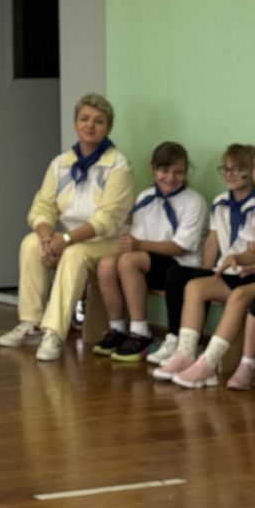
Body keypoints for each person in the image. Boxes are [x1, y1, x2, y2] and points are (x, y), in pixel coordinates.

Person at [0, 94, 135, 363]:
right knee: (30, 243)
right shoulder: (61, 163)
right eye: (84, 119)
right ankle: (31, 323)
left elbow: (107, 219)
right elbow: (42, 206)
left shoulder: (118, 164)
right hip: (70, 238)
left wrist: (67, 239)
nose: (90, 126)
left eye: (99, 121)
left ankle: (54, 333)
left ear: (108, 127)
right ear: (75, 123)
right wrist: (46, 236)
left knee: (74, 254)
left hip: (107, 242)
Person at [164, 142, 255, 389]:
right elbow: (252, 251)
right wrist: (237, 258)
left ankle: (209, 363)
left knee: (239, 295)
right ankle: (185, 353)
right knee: (196, 286)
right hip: (254, 273)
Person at [91, 142, 206, 361]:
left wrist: (139, 246)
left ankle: (141, 332)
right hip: (147, 263)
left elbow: (181, 247)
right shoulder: (145, 197)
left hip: (180, 266)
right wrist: (134, 246)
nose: (171, 178)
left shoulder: (194, 201)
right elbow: (137, 241)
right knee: (106, 264)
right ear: (152, 169)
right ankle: (117, 328)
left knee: (129, 261)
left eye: (178, 172)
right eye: (164, 171)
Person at [147, 143, 254, 366]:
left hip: (245, 271)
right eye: (225, 169)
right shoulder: (220, 202)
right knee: (177, 273)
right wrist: (205, 270)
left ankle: (191, 346)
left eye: (237, 168)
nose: (230, 174)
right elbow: (212, 240)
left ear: (251, 170)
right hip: (224, 269)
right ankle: (175, 338)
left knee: (198, 282)